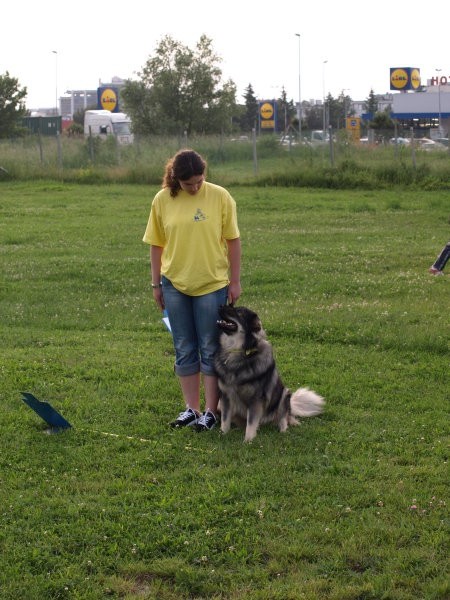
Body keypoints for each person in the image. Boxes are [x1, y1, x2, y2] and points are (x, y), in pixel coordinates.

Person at [143, 149, 241, 431]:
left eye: (200, 181)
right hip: (175, 284)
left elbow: (233, 240)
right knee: (184, 347)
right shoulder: (162, 199)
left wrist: (234, 281)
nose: (195, 187)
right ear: (177, 180)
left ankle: (211, 412)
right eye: (189, 184)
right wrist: (156, 284)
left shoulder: (220, 196)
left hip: (212, 285)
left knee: (210, 348)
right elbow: (156, 245)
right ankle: (191, 409)